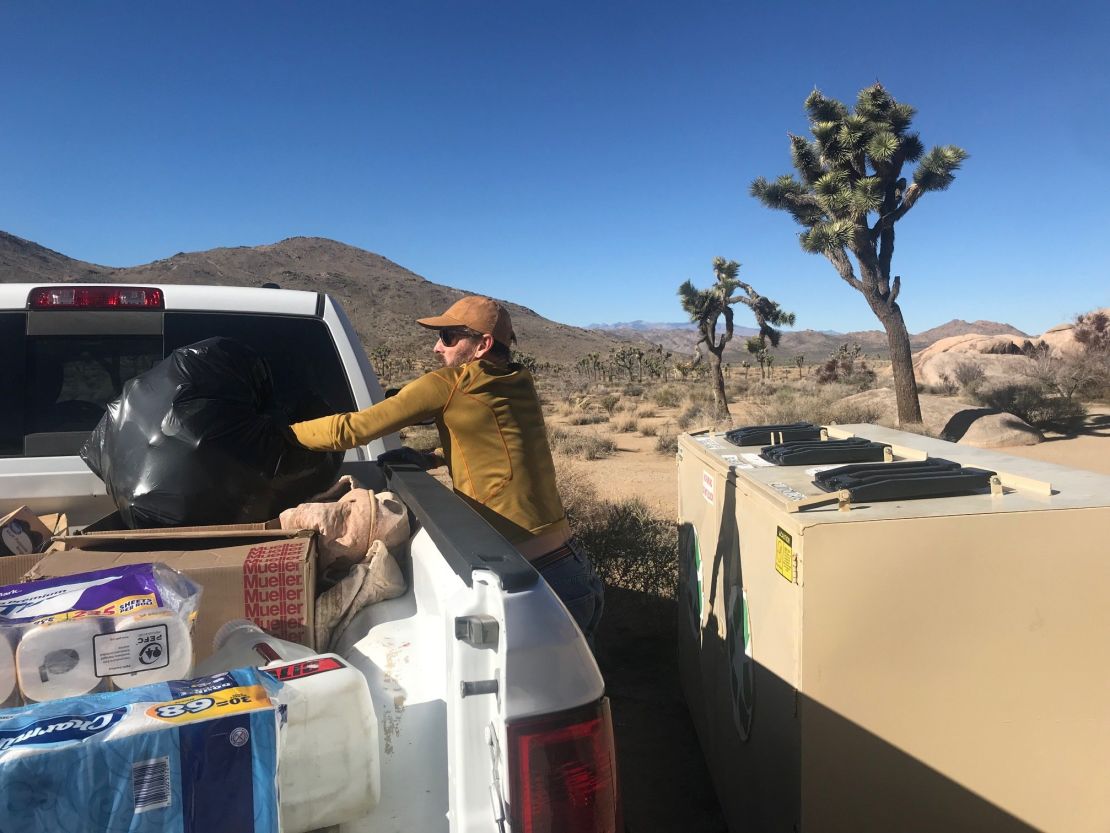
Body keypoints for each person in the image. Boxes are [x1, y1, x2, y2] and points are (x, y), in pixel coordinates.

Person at [289, 295, 604, 643]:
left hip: (531, 583)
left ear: (482, 344)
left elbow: (352, 430)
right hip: (574, 570)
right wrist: (434, 457)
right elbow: (495, 442)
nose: (438, 348)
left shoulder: (450, 384)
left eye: (449, 337)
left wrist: (282, 435)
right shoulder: (517, 380)